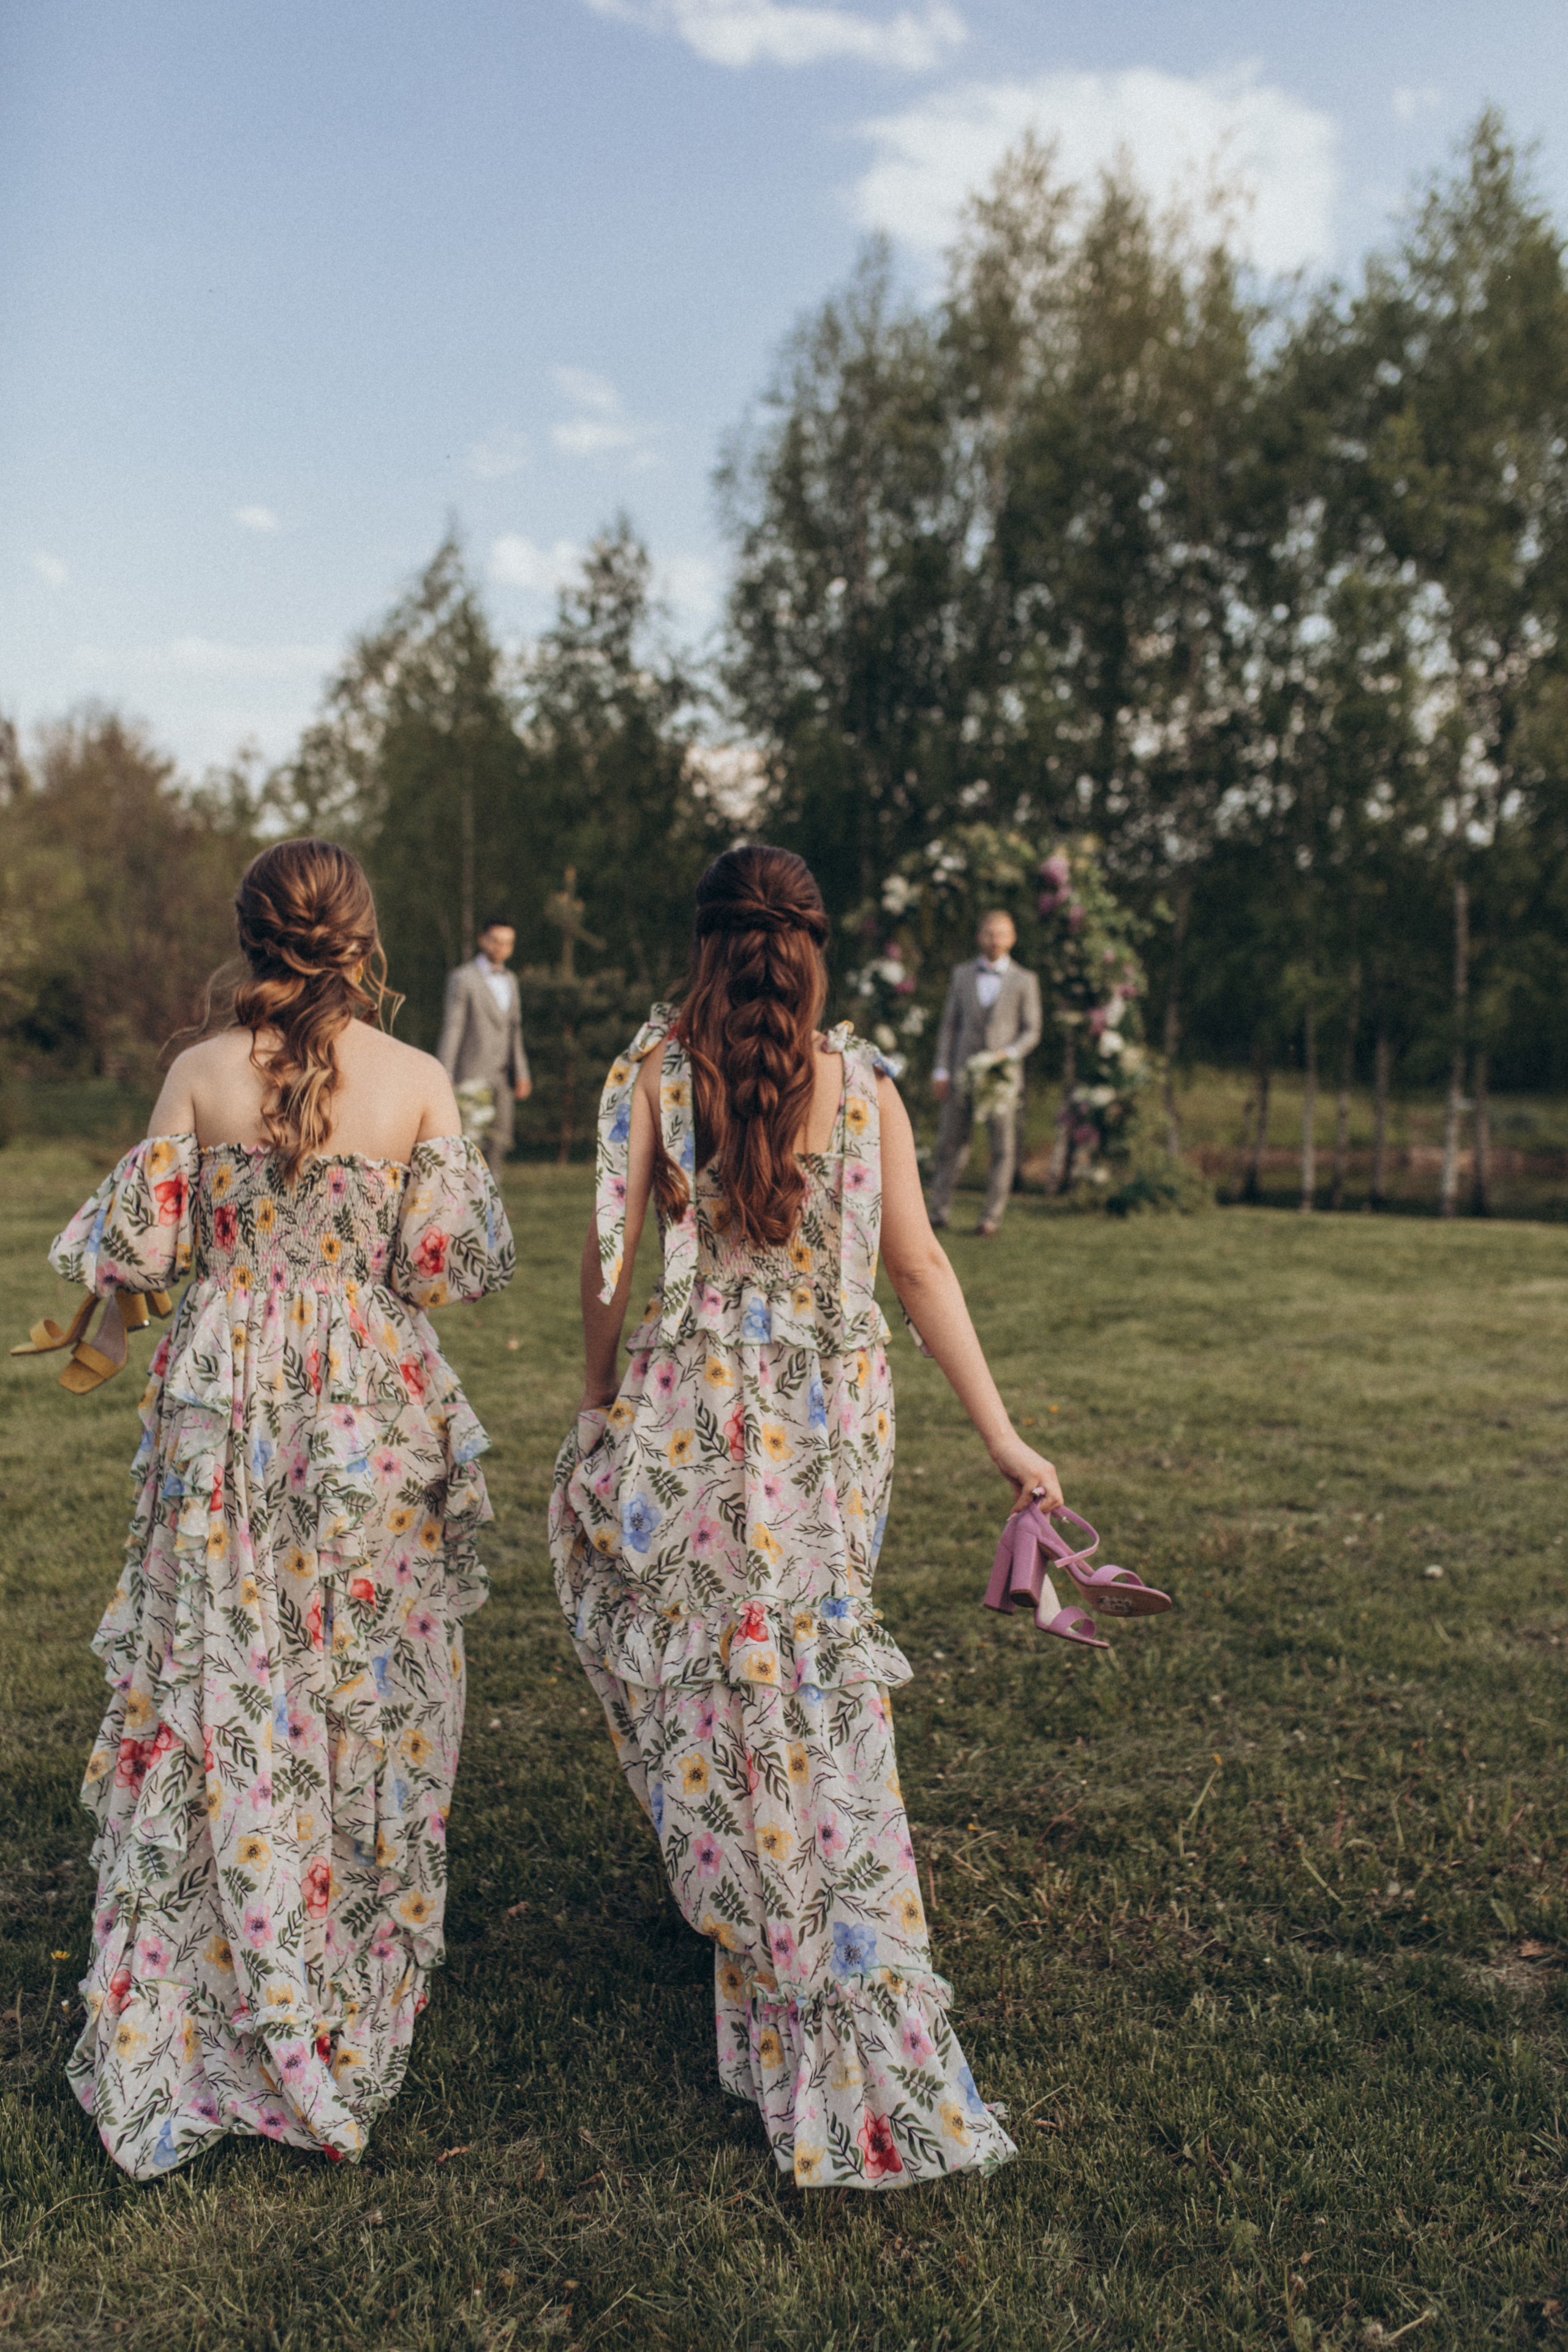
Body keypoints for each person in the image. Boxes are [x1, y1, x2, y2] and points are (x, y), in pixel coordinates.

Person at [548, 845, 1061, 2190]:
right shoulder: (868, 1082)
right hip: (834, 1426)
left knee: (711, 1673)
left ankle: (759, 1899)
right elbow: (919, 1265)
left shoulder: (647, 1073)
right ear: (811, 950)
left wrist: (597, 1399)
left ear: (703, 942)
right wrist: (1000, 1434)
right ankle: (797, 1903)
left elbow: (606, 1267)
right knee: (809, 1675)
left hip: (696, 1411)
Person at [36, 839, 513, 2179]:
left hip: (226, 1410)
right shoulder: (417, 1082)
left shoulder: (196, 1072)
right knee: (358, 1682)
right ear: (361, 942)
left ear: (252, 939)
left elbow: (135, 1254)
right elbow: (449, 1267)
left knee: (222, 1671)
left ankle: (210, 1974)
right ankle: (336, 1962)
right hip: (364, 1410)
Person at [928, 911, 1042, 1237]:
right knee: (951, 1143)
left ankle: (990, 1218)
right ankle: (938, 1211)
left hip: (1002, 1079)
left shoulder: (1025, 980)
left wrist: (1008, 1055)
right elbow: (950, 1025)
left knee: (1002, 1148)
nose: (995, 940)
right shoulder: (962, 975)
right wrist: (942, 1069)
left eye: (1002, 934)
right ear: (980, 937)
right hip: (962, 1072)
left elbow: (1032, 1030)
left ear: (1013, 938)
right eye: (990, 934)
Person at [437, 916, 532, 1177]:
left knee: (500, 1140)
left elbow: (515, 1030)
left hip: (504, 1076)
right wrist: (445, 1070)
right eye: (496, 941)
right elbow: (453, 1026)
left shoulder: (511, 980)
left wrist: (522, 1072)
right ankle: (468, 1206)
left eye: (508, 943)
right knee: (472, 1141)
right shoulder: (463, 978)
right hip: (472, 1072)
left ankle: (495, 1205)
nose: (501, 948)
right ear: (483, 940)